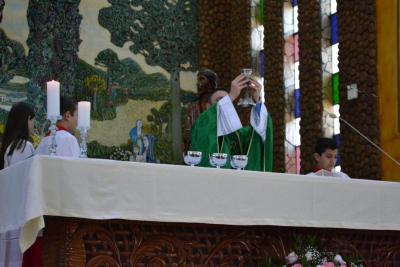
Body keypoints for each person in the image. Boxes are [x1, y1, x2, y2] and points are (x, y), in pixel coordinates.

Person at [190, 73, 273, 172]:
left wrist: (257, 101)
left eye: (229, 101)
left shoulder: (238, 135)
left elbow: (260, 132)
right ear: (208, 106)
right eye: (220, 100)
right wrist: (231, 95)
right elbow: (206, 121)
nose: (226, 104)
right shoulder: (202, 124)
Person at [0, 102, 35, 267]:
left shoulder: (9, 146)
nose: (33, 126)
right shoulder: (24, 146)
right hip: (19, 208)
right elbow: (27, 178)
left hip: (8, 207)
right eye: (32, 121)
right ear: (27, 119)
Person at [183, 69, 219, 151]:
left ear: (211, 83)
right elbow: (187, 131)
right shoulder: (193, 106)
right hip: (196, 150)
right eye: (198, 80)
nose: (197, 83)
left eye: (202, 79)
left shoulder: (218, 106)